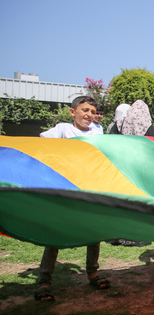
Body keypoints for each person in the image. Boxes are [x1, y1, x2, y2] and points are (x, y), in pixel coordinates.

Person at [35, 96, 110, 301]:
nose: (89, 115)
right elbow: (38, 144)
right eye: (85, 110)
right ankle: (44, 282)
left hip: (89, 190)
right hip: (64, 190)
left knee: (93, 235)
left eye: (92, 112)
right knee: (55, 235)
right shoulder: (62, 130)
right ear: (72, 112)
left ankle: (93, 273)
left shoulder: (98, 132)